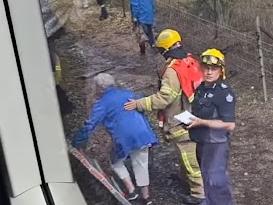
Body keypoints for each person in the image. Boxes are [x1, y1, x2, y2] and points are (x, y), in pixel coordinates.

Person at [124, 29, 205, 205]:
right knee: (191, 155)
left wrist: (139, 103)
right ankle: (188, 182)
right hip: (194, 115)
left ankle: (199, 194)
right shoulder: (190, 60)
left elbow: (164, 98)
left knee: (188, 158)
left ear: (165, 50)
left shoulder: (172, 71)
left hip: (181, 121)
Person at [72, 73, 157, 205]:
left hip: (124, 138)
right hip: (143, 134)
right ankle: (146, 197)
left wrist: (77, 141)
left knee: (115, 161)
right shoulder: (128, 93)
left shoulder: (102, 103)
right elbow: (142, 106)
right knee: (141, 163)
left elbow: (90, 124)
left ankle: (131, 190)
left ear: (99, 88)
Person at [187, 48, 236, 205]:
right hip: (202, 141)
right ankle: (209, 201)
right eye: (206, 68)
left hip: (216, 143)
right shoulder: (201, 88)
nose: (209, 72)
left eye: (213, 69)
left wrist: (201, 122)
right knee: (206, 177)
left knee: (217, 180)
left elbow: (229, 125)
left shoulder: (225, 93)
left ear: (221, 70)